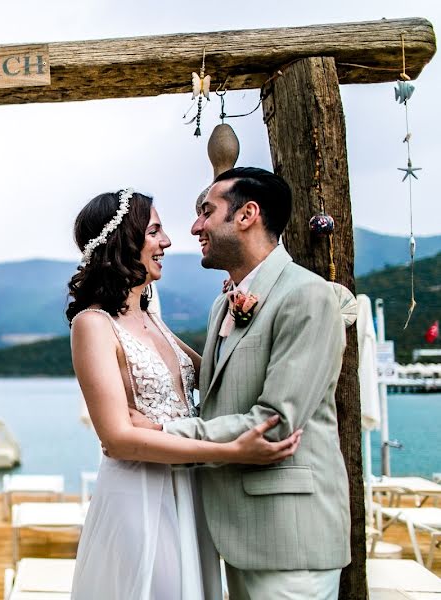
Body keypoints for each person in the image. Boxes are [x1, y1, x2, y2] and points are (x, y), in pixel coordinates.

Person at [67, 187, 303, 600]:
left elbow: (215, 373)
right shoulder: (93, 324)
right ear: (125, 240)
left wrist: (236, 317)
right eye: (154, 231)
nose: (167, 242)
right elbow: (116, 439)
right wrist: (232, 452)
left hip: (189, 491)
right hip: (141, 496)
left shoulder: (152, 319)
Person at [129, 167, 351, 599]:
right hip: (236, 534)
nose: (195, 227)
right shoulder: (223, 305)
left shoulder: (307, 296)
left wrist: (163, 432)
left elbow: (276, 421)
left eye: (206, 212)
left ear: (247, 214)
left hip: (292, 542)